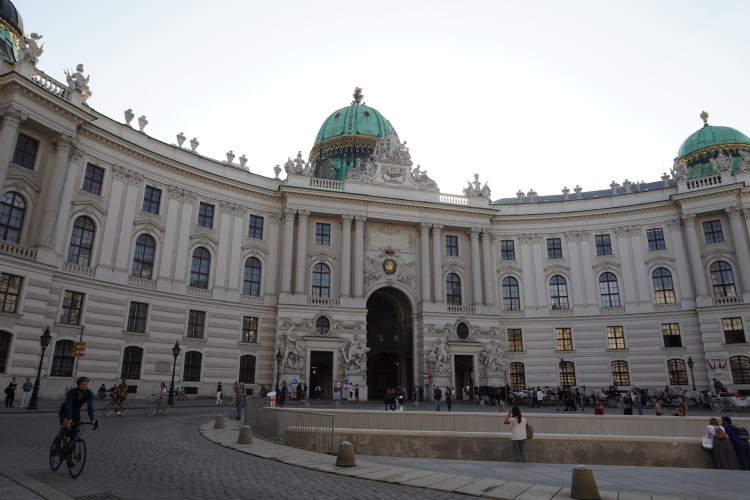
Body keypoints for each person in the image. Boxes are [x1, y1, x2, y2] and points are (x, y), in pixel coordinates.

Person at [56, 376, 98, 447]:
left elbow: (90, 408)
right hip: (65, 410)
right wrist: (69, 419)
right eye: (83, 384)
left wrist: (93, 420)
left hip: (76, 411)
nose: (85, 386)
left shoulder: (89, 393)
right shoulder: (71, 392)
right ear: (78, 385)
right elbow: (68, 406)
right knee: (65, 423)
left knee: (76, 430)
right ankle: (58, 439)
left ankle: (71, 448)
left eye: (86, 384)